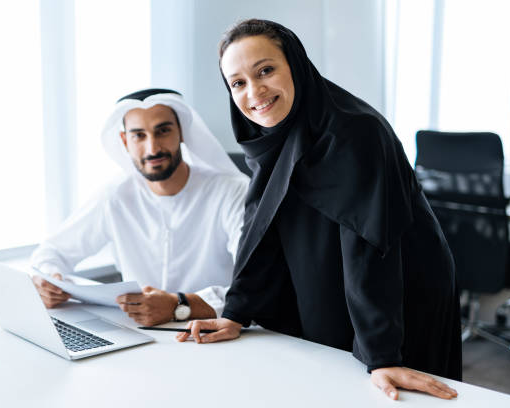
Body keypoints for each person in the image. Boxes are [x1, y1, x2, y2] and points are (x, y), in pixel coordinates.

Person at [176, 19, 462, 401]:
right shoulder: (270, 132)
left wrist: (382, 356)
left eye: (266, 70)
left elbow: (367, 244)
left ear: (295, 64)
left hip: (396, 285)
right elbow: (262, 225)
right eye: (238, 83)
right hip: (330, 272)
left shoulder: (354, 131)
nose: (255, 91)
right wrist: (237, 312)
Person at [31, 88, 249, 327]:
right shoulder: (115, 196)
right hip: (141, 337)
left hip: (218, 332)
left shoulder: (232, 191)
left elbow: (256, 283)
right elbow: (50, 253)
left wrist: (179, 305)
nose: (153, 148)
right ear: (125, 141)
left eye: (163, 131)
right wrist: (48, 281)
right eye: (139, 135)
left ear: (182, 133)